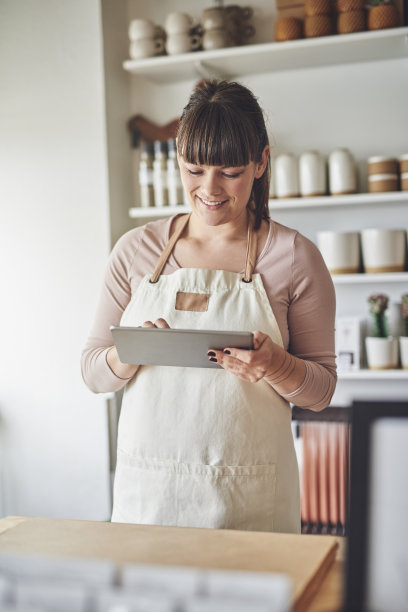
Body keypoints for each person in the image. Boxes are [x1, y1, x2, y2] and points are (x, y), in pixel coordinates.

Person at [81, 80, 337, 534]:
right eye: (193, 169)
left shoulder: (294, 257)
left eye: (230, 171)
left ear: (261, 161)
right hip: (150, 499)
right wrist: (131, 350)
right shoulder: (135, 250)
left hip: (250, 502)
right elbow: (93, 373)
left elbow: (321, 393)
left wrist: (276, 365)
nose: (209, 189)